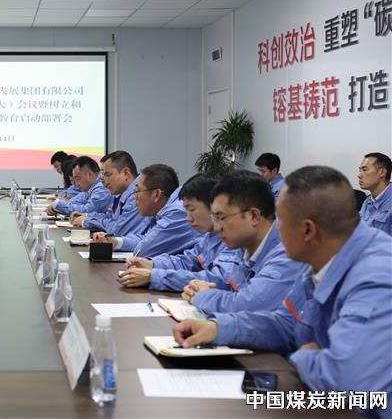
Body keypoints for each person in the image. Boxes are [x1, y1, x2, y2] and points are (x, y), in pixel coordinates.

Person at [173, 166, 392, 397]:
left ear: (308, 230)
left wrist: (302, 356)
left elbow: (345, 378)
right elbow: (287, 323)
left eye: (281, 219)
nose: (276, 227)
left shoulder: (376, 276)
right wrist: (218, 328)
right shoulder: (319, 255)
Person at [179, 170, 303, 315]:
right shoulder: (243, 247)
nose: (218, 227)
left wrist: (203, 296)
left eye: (221, 217)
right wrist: (199, 288)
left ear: (254, 216)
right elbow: (228, 284)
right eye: (215, 219)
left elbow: (247, 305)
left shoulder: (287, 254)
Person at [118, 173, 238, 291]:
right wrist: (152, 264)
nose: (188, 218)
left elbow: (217, 281)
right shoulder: (210, 237)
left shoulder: (233, 241)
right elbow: (187, 262)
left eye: (192, 209)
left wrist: (153, 277)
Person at [92, 164, 198, 258]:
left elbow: (143, 250)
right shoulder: (164, 209)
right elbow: (147, 238)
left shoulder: (177, 213)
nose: (134, 197)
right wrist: (114, 242)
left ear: (156, 194)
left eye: (137, 191)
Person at [70, 151, 147, 238]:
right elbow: (109, 217)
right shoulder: (121, 193)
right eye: (102, 174)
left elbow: (118, 231)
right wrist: (87, 216)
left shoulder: (137, 195)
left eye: (107, 174)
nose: (102, 180)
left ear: (126, 173)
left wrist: (88, 221)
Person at [47, 156, 112, 216]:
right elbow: (76, 201)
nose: (76, 184)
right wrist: (57, 206)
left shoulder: (101, 189)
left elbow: (88, 211)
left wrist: (58, 205)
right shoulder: (89, 189)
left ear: (89, 174)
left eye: (78, 178)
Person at [358, 152, 392, 235]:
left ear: (382, 172)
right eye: (360, 170)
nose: (359, 175)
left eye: (364, 170)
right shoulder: (368, 201)